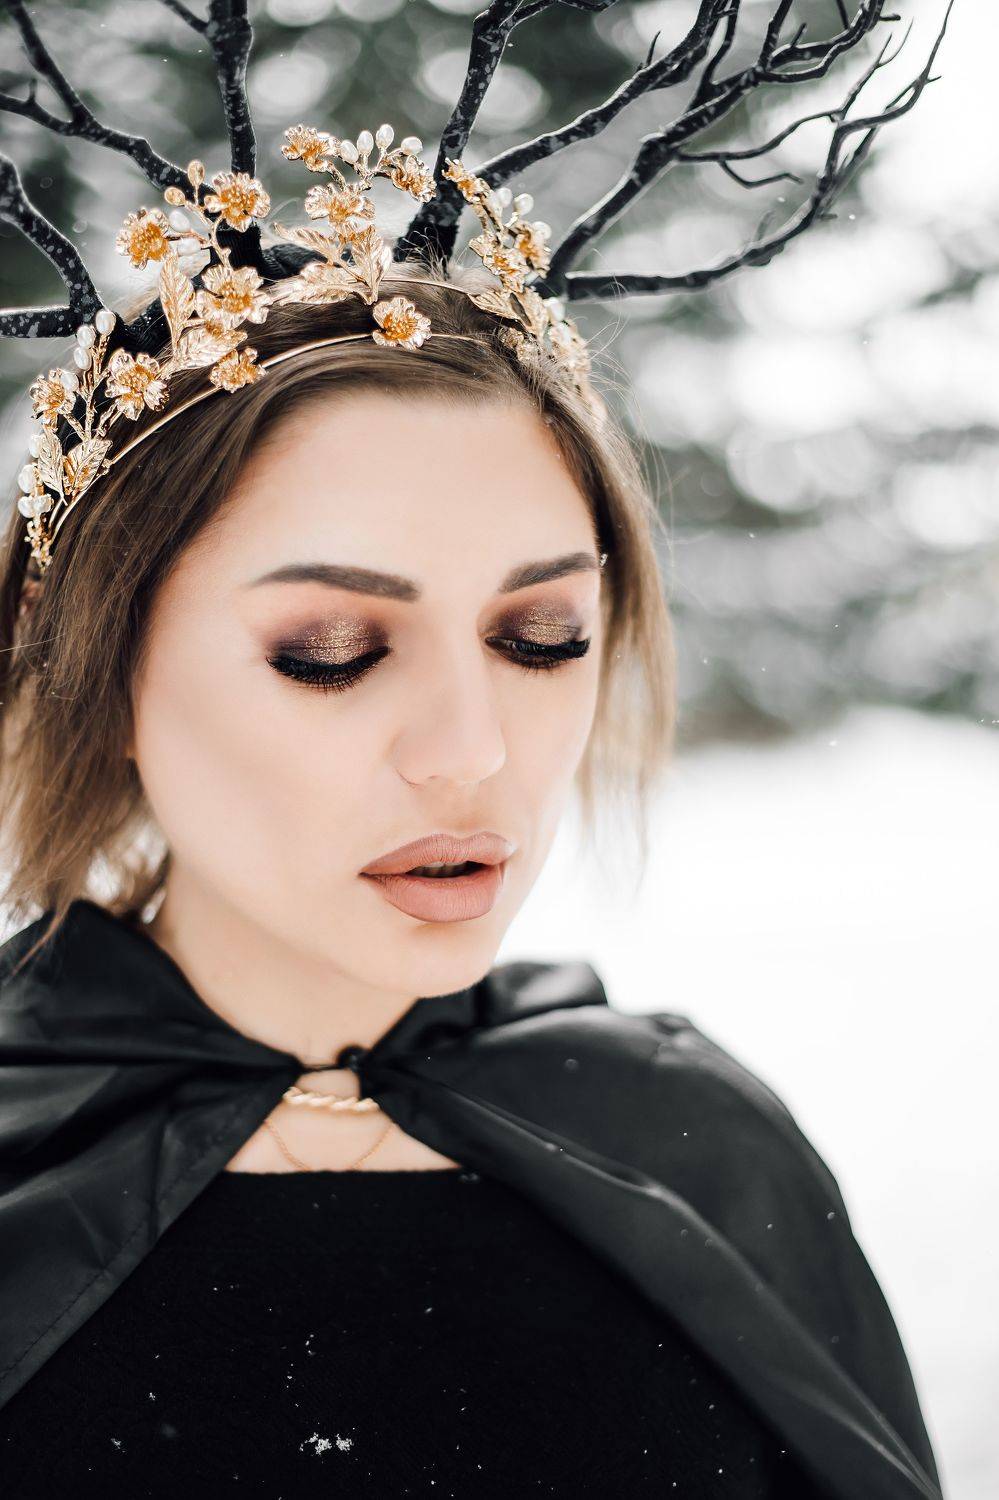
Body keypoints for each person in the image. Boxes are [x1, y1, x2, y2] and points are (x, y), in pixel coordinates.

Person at [0, 4, 948, 1494]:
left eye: (542, 638)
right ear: (99, 665)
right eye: (331, 651)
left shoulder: (694, 1155)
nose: (470, 753)